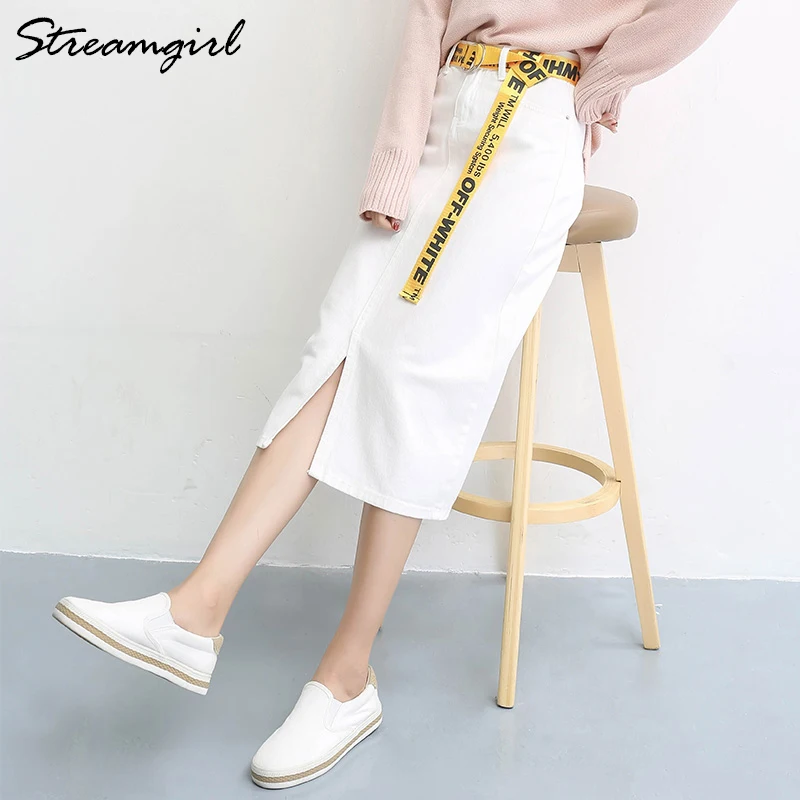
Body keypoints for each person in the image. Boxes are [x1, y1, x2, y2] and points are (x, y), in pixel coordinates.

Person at [52, 0, 739, 790]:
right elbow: (426, 14)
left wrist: (594, 87)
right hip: (448, 105)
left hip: (531, 128)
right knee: (335, 348)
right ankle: (195, 611)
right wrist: (396, 159)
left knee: (417, 379)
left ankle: (347, 677)